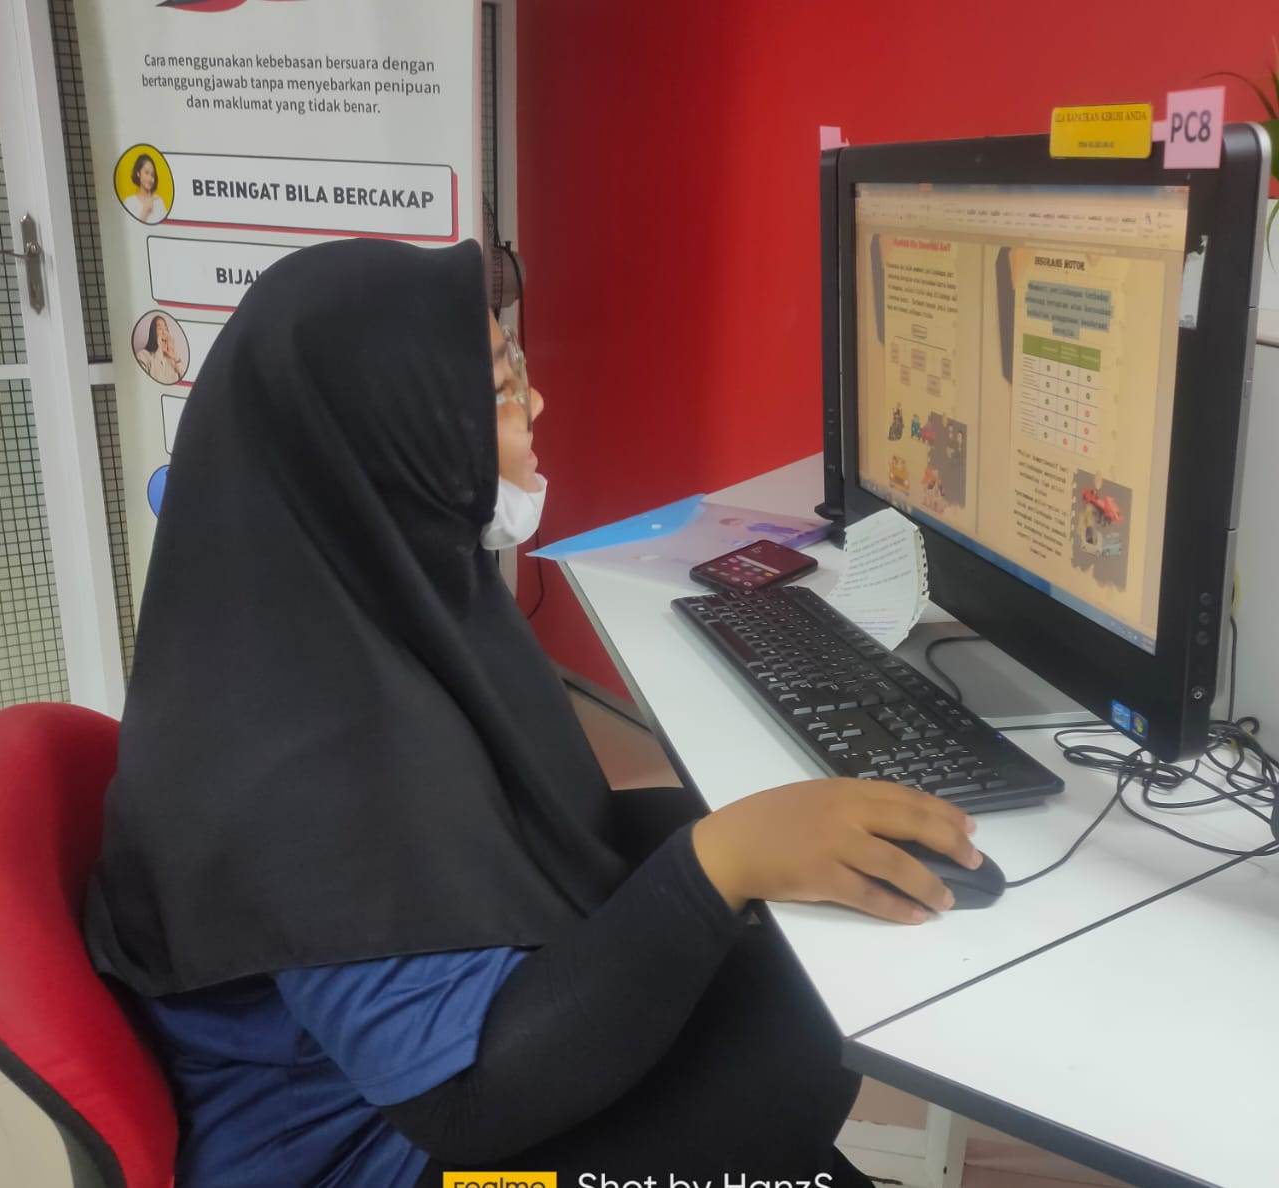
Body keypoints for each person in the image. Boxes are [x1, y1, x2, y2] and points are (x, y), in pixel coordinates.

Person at [84, 239, 981, 1186]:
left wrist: (742, 835)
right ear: (392, 435)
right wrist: (719, 862)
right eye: (505, 387)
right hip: (372, 1157)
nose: (537, 405)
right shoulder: (297, 759)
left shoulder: (342, 606)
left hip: (421, 1081)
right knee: (790, 1035)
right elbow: (465, 1109)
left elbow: (532, 827)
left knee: (781, 968)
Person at [134, 314, 184, 384]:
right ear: (153, 332)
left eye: (166, 328)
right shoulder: (142, 355)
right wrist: (159, 350)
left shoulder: (172, 359)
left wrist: (175, 357)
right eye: (160, 328)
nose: (164, 332)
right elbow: (154, 382)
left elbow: (184, 380)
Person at [123, 153, 167, 224]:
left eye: (152, 175)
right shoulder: (129, 202)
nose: (150, 178)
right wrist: (145, 211)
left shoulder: (159, 202)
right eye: (146, 173)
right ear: (138, 173)